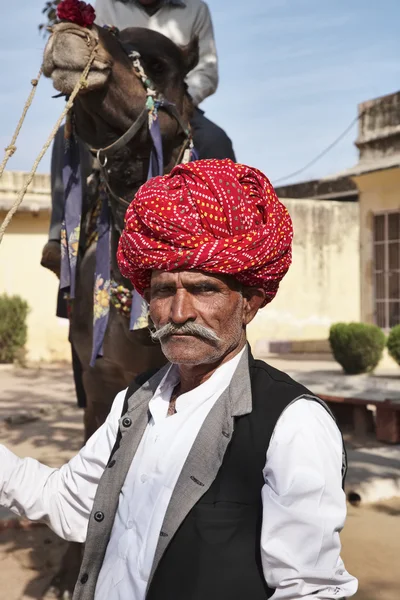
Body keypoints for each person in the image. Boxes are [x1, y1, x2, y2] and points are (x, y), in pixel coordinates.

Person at [1, 159, 357, 600]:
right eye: (164, 290)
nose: (178, 312)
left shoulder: (292, 423)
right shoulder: (137, 400)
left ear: (249, 303)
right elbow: (68, 503)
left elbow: (311, 590)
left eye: (204, 289)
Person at [94, 0, 236, 160]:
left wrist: (176, 103)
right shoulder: (105, 6)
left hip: (178, 106)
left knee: (215, 141)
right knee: (67, 144)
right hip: (117, 110)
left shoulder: (196, 9)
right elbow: (96, 61)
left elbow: (206, 72)